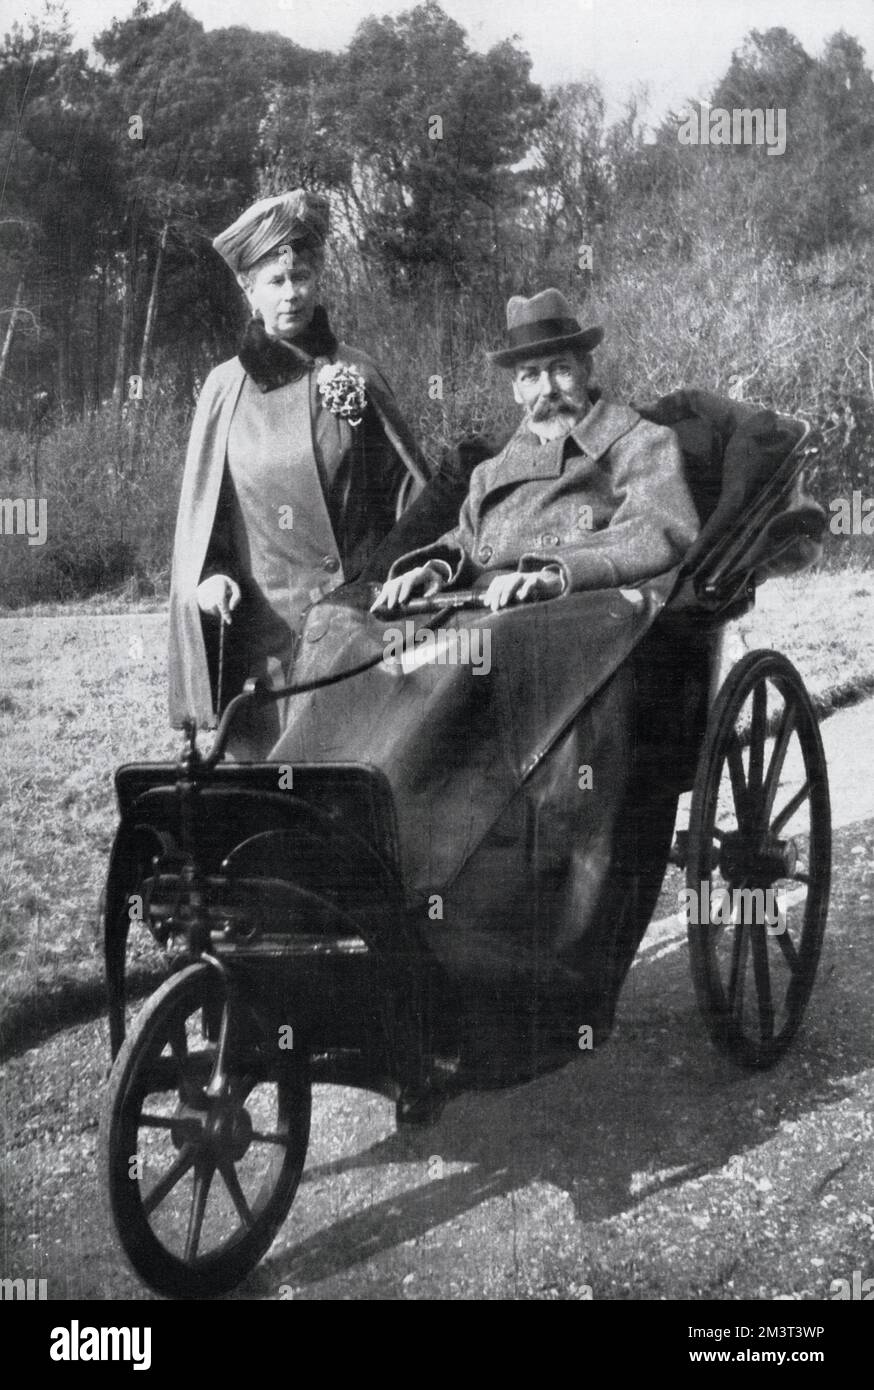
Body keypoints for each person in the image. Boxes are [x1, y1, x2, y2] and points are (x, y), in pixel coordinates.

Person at [168, 189, 429, 756]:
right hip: (271, 649)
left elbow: (410, 497)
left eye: (302, 277)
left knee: (365, 800)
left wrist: (399, 582)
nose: (291, 294)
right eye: (275, 282)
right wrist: (210, 575)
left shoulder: (356, 370)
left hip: (362, 634)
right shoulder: (222, 390)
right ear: (248, 291)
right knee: (277, 815)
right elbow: (207, 517)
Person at [373, 287, 700, 613]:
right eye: (530, 377)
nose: (548, 390)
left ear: (586, 369)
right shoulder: (489, 473)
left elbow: (657, 529)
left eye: (561, 370)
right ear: (516, 391)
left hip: (576, 618)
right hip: (482, 616)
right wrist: (431, 570)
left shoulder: (639, 442)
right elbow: (468, 542)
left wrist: (556, 574)